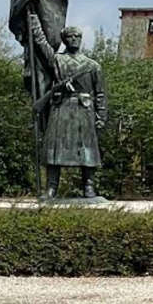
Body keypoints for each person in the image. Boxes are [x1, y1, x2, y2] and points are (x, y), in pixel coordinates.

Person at [28, 15, 107, 200]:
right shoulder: (57, 60)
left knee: (87, 150)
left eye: (76, 36)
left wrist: (101, 117)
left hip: (84, 111)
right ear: (64, 40)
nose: (73, 39)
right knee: (54, 150)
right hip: (61, 107)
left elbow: (101, 94)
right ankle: (52, 188)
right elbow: (40, 42)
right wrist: (33, 20)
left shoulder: (92, 65)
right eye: (70, 37)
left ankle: (89, 187)